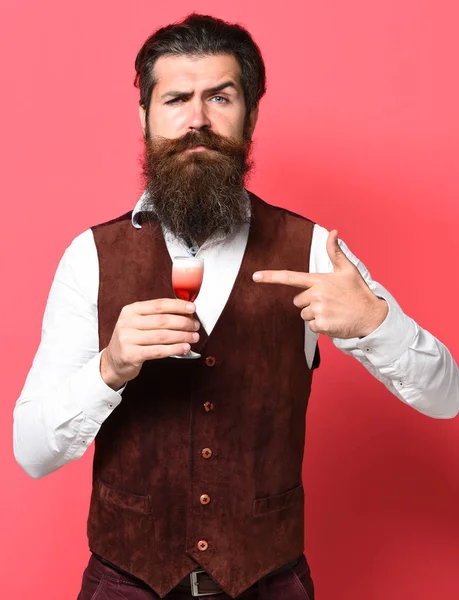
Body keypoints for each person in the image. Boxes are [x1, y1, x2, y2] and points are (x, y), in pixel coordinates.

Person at [13, 13, 459, 600]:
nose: (197, 120)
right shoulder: (90, 257)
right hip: (125, 584)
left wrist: (377, 322)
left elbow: (446, 397)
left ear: (250, 114)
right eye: (176, 98)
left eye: (219, 97)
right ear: (144, 115)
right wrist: (109, 368)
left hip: (269, 583)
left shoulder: (316, 250)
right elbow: (31, 453)